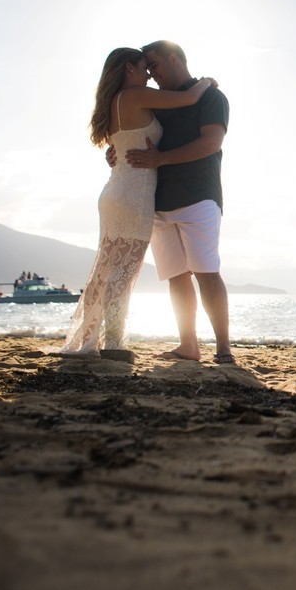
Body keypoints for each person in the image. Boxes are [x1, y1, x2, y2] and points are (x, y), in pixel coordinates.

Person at [60, 47, 217, 360]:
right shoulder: (135, 95)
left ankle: (88, 339)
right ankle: (114, 346)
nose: (148, 74)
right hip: (134, 197)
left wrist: (112, 153)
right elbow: (189, 99)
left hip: (115, 192)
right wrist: (207, 82)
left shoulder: (115, 100)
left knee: (105, 271)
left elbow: (119, 146)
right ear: (128, 67)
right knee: (122, 273)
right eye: (144, 67)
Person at [119, 40, 233, 365]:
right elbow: (132, 133)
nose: (152, 75)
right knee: (176, 276)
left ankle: (224, 349)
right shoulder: (157, 102)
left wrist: (160, 158)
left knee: (207, 272)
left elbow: (211, 143)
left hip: (198, 196)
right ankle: (189, 346)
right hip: (156, 201)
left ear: (174, 58)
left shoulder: (211, 96)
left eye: (154, 66)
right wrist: (115, 151)